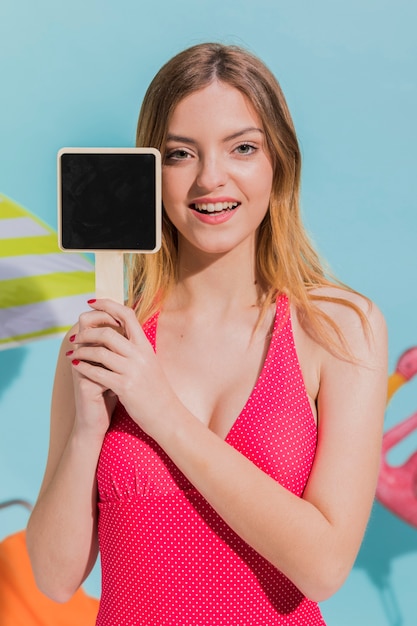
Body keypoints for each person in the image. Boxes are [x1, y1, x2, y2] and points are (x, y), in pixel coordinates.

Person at [27, 43, 388, 625]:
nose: (210, 179)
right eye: (179, 154)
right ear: (151, 172)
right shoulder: (105, 342)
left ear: (279, 163)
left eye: (242, 148)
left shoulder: (339, 328)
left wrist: (159, 409)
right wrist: (89, 427)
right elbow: (53, 575)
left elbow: (323, 566)